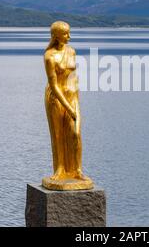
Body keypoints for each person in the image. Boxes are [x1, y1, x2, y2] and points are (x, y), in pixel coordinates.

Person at [42, 21, 93, 190]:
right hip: (56, 98)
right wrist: (67, 106)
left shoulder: (72, 51)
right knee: (58, 135)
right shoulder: (49, 56)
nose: (69, 37)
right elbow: (54, 85)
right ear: (56, 36)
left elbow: (74, 77)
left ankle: (77, 170)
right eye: (65, 34)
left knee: (75, 133)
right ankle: (60, 169)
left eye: (69, 33)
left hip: (72, 96)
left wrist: (75, 102)